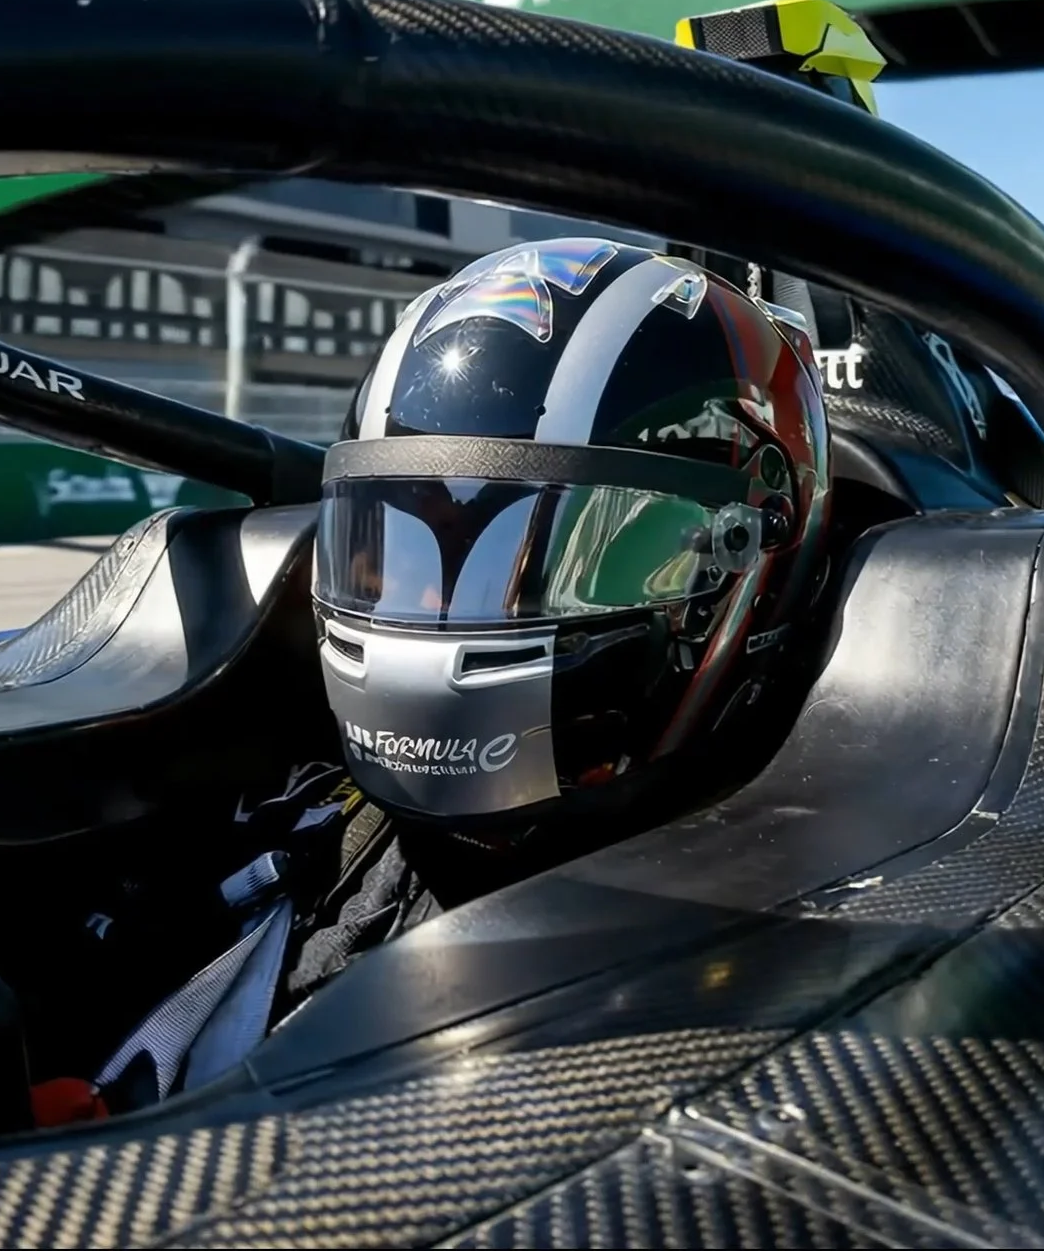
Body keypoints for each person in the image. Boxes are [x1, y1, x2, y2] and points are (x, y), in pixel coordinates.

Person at [287, 236, 833, 997]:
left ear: (743, 549)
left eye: (537, 560)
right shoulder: (318, 842)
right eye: (399, 546)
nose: (434, 608)